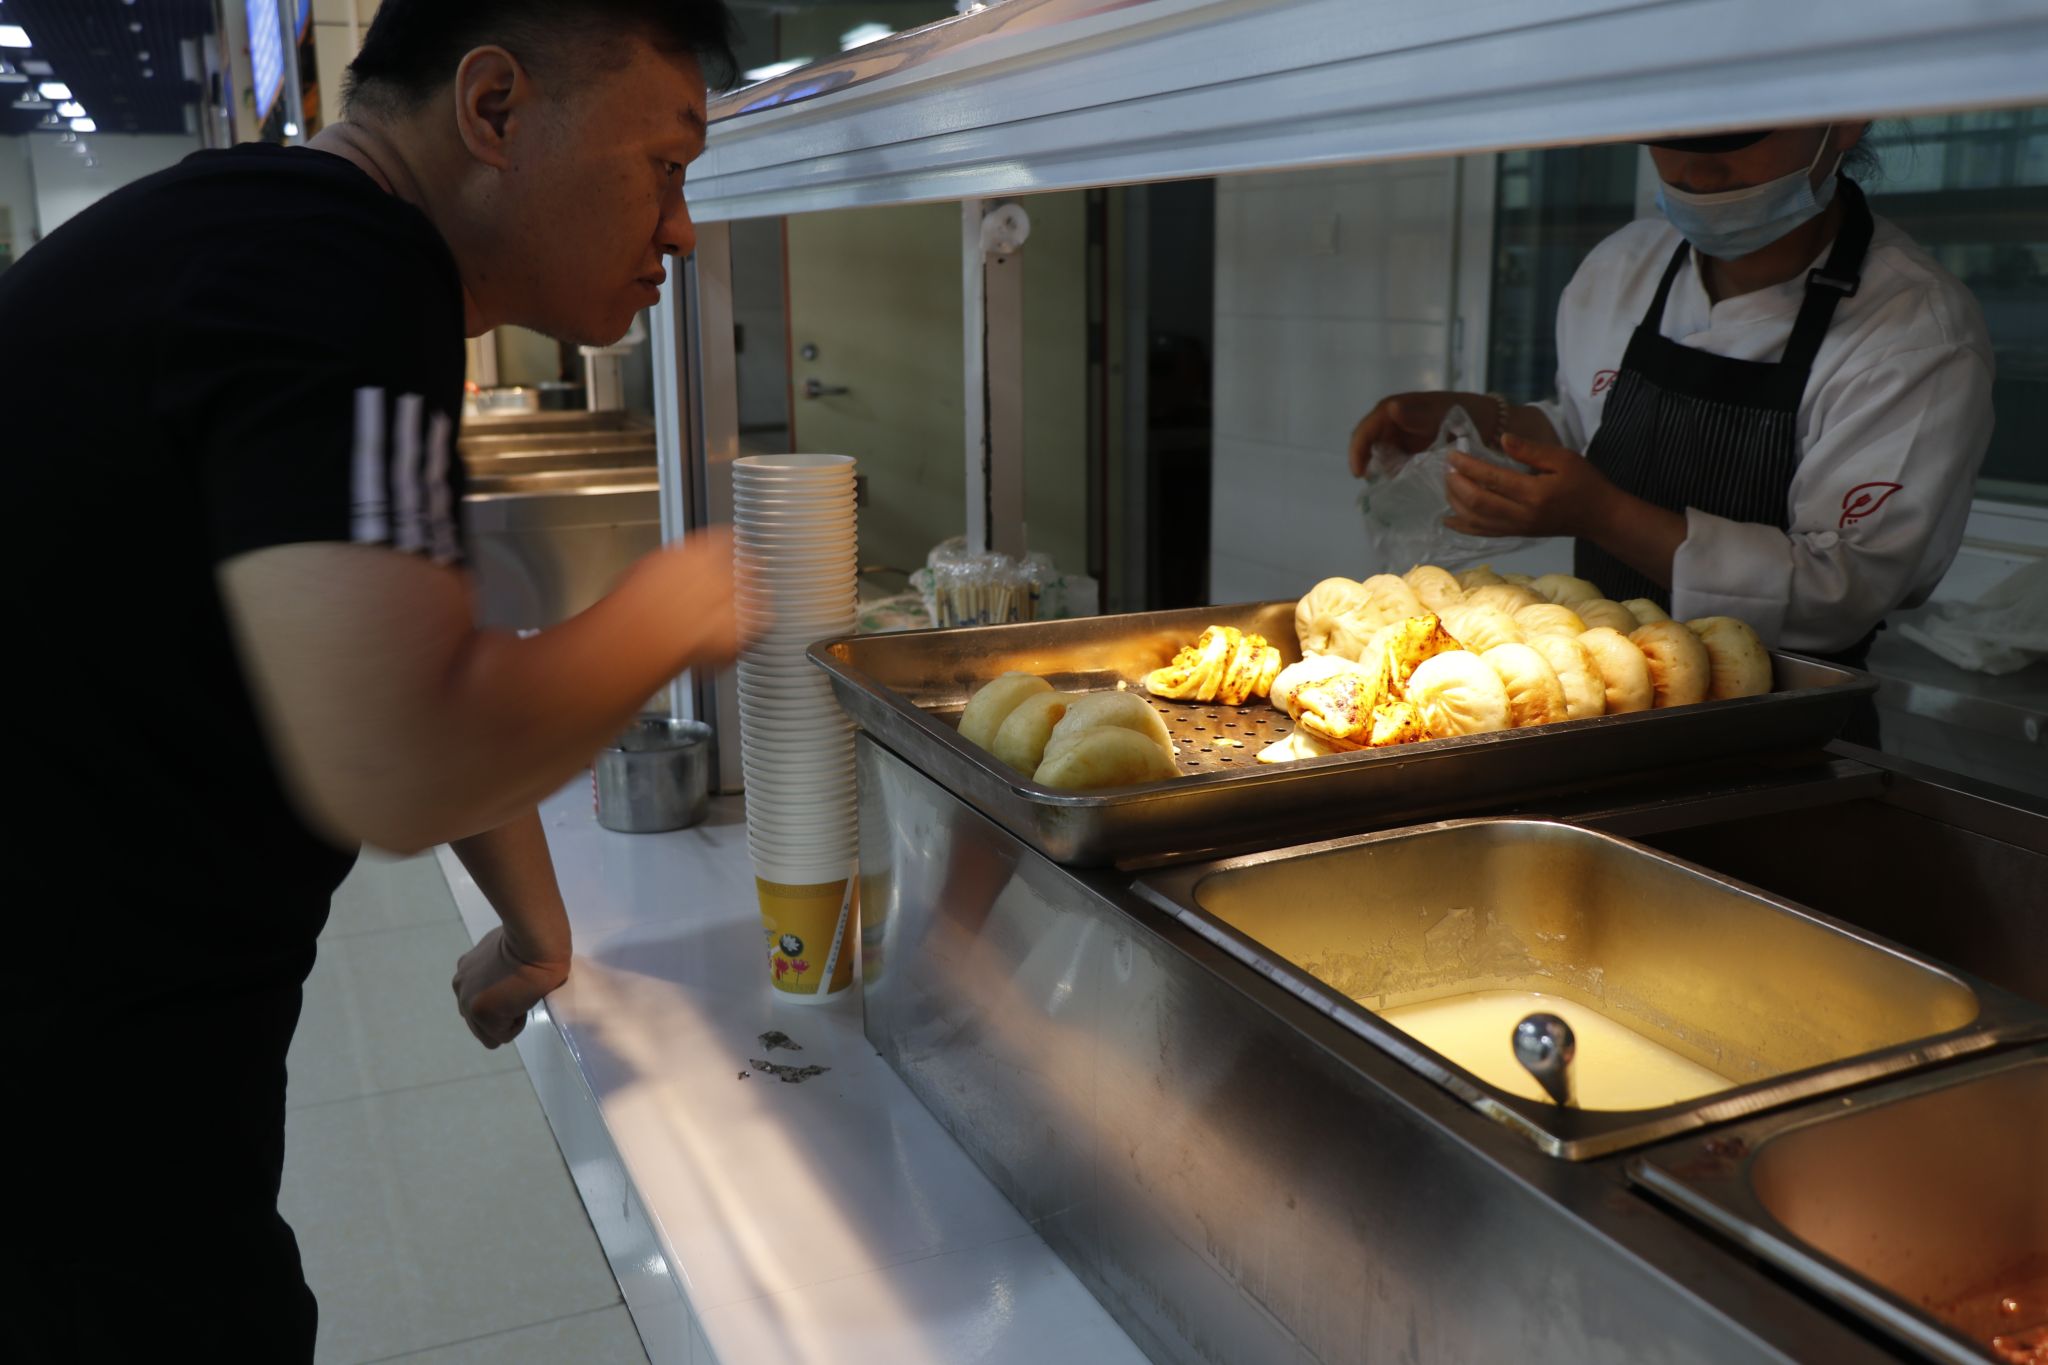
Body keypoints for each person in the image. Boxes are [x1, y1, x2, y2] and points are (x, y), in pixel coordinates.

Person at [4, 1, 743, 1358]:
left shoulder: (276, 238)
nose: (681, 229)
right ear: (494, 109)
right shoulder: (338, 271)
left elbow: (407, 633)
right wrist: (682, 602)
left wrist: (534, 928)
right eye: (665, 167)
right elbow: (401, 757)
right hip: (63, 1102)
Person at [1347, 123, 1995, 740]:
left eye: (1736, 132)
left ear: (1843, 120)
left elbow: (1839, 592)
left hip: (1782, 736)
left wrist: (1602, 516)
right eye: (1670, 132)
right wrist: (1482, 421)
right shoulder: (1624, 267)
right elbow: (1583, 425)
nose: (1697, 169)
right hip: (1604, 706)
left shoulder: (1914, 332)